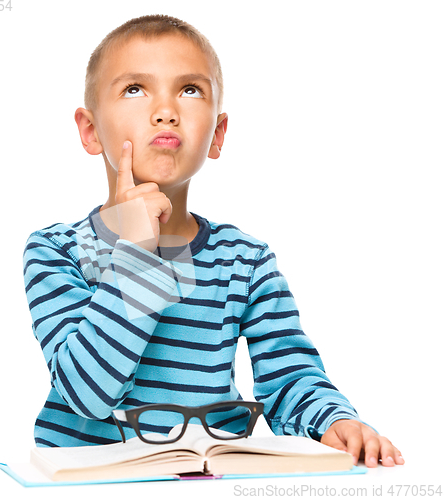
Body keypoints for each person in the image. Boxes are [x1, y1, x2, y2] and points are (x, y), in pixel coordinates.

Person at [23, 14, 404, 468]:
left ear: (217, 134)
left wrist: (334, 421)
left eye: (189, 90)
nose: (165, 110)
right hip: (93, 486)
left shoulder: (246, 260)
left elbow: (289, 378)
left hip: (211, 480)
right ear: (90, 131)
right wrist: (139, 253)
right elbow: (88, 393)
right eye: (134, 89)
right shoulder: (56, 250)